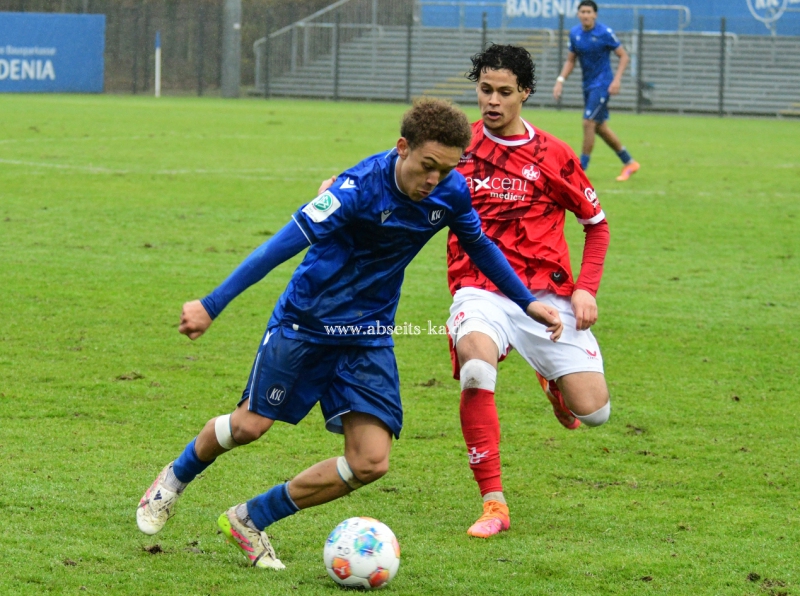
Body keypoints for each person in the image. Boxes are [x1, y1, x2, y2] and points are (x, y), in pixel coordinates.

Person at [135, 98, 564, 570]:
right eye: (427, 167)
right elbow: (280, 245)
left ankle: (249, 519)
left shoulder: (450, 192)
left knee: (370, 462)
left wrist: (527, 302)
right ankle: (172, 480)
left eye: (446, 169)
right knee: (248, 427)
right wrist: (211, 304)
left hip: (368, 335)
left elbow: (479, 245)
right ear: (402, 148)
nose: (434, 181)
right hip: (306, 324)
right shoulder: (355, 190)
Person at [447, 43, 612, 538]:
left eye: (503, 92)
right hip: (481, 289)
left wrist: (586, 289)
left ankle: (556, 383)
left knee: (596, 412)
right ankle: (493, 502)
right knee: (477, 368)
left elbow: (596, 225)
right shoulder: (459, 146)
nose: (492, 101)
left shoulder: (554, 156)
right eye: (484, 90)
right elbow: (403, 175)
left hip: (549, 298)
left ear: (525, 94)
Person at [552, 0, 640, 181]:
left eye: (588, 12)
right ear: (578, 15)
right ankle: (629, 162)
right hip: (588, 85)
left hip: (602, 84)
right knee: (599, 127)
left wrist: (616, 80)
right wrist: (560, 80)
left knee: (588, 122)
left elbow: (623, 56)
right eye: (582, 12)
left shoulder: (604, 33)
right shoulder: (575, 34)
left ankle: (580, 169)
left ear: (595, 15)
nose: (585, 15)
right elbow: (571, 60)